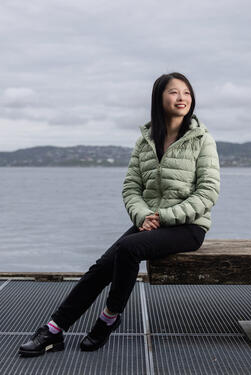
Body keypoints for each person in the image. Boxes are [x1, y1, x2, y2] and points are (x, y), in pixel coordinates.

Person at [18, 72, 220, 357]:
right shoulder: (145, 141)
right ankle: (54, 330)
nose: (182, 98)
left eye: (186, 92)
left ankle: (108, 319)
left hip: (187, 226)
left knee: (127, 248)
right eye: (174, 92)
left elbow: (208, 192)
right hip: (149, 223)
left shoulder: (202, 140)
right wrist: (142, 217)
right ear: (159, 98)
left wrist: (163, 217)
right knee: (101, 267)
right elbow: (131, 187)